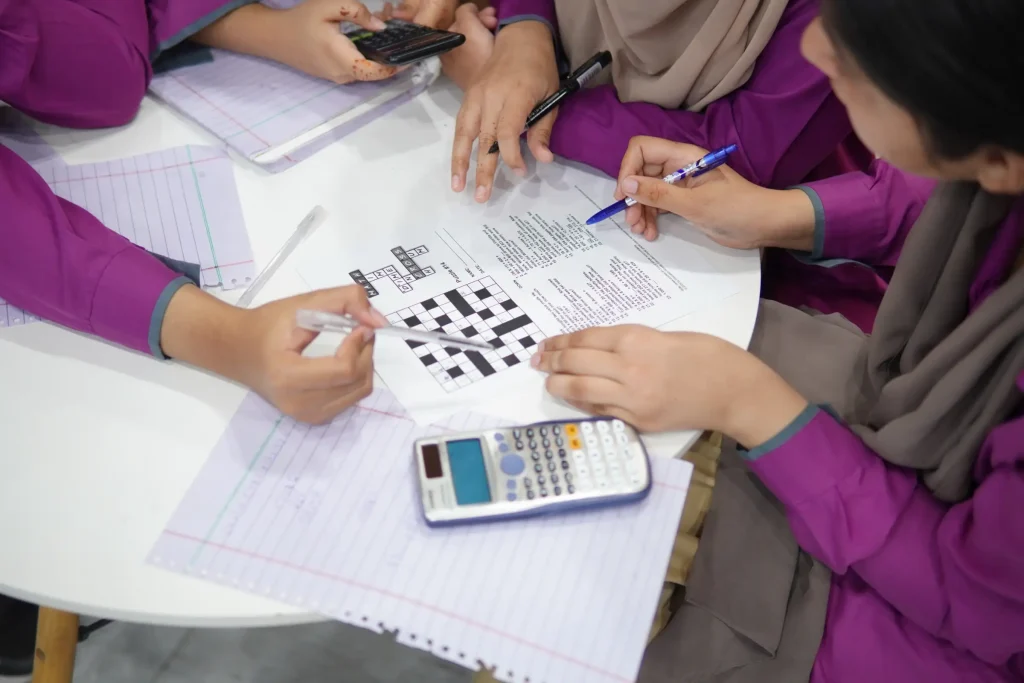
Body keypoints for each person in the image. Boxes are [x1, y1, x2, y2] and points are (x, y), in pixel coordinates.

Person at [531, 0, 1024, 680]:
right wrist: (779, 211)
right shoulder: (995, 146)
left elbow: (977, 604)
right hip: (884, 429)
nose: (814, 49)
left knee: (571, 600)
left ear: (996, 159)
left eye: (857, 60)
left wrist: (750, 404)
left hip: (902, 631)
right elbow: (929, 191)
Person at [439, 0, 898, 331]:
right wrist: (525, 25)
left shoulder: (842, 19)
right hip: (602, 206)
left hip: (782, 276)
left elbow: (738, 156)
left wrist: (538, 112)